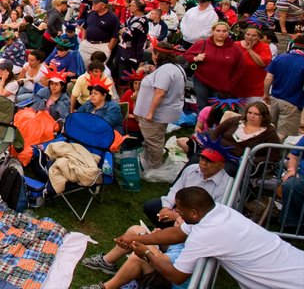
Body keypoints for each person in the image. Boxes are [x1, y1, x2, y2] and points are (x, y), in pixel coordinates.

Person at [109, 186, 304, 289]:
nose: (178, 214)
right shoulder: (218, 211)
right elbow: (178, 233)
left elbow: (177, 276)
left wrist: (147, 255)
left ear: (194, 212)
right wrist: (136, 239)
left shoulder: (205, 235)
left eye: (180, 210)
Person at [135, 41, 187, 170]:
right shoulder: (173, 67)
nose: (152, 55)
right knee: (153, 139)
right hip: (162, 112)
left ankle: (154, 167)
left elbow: (160, 93)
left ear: (157, 55)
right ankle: (148, 162)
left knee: (154, 142)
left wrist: (150, 113)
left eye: (153, 53)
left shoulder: (166, 71)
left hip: (155, 114)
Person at [209, 101, 280, 175]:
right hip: (220, 153)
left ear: (264, 116)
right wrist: (214, 148)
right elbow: (215, 134)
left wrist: (251, 160)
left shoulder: (269, 132)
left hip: (241, 163)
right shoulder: (235, 121)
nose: (252, 116)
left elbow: (274, 156)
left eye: (256, 114)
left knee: (226, 170)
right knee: (200, 160)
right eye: (249, 112)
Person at [184, 21, 243, 109]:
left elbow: (239, 68)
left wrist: (231, 84)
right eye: (218, 31)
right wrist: (196, 58)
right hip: (202, 80)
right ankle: (200, 122)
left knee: (216, 109)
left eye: (224, 31)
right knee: (202, 105)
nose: (221, 33)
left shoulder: (235, 49)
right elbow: (187, 55)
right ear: (213, 31)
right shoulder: (202, 43)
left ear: (228, 32)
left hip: (221, 85)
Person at [262, 33, 304, 140]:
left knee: (269, 129)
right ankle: (271, 154)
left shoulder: (280, 57)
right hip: (292, 103)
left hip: (274, 99)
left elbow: (268, 79)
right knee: (283, 134)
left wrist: (266, 94)